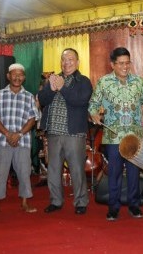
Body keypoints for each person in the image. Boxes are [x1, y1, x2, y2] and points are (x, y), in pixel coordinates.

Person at [89, 47, 143, 221]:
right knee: (114, 173)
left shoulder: (139, 82)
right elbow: (93, 104)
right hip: (113, 136)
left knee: (133, 173)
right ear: (112, 65)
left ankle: (134, 205)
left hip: (134, 137)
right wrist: (94, 114)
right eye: (121, 63)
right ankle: (113, 207)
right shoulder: (103, 82)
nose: (125, 67)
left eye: (127, 63)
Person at [38, 48, 92, 215]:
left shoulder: (83, 81)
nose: (66, 62)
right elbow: (42, 100)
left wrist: (62, 88)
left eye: (70, 59)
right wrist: (51, 88)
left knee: (76, 169)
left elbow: (80, 100)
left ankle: (81, 202)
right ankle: (55, 201)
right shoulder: (54, 79)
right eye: (64, 59)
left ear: (77, 62)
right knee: (53, 169)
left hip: (74, 133)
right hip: (53, 133)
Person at [0, 63, 38, 215]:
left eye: (20, 75)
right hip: (3, 140)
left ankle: (25, 203)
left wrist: (19, 134)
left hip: (23, 141)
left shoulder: (29, 96)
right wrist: (8, 134)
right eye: (14, 74)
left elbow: (33, 119)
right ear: (8, 76)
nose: (17, 77)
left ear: (24, 77)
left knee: (24, 173)